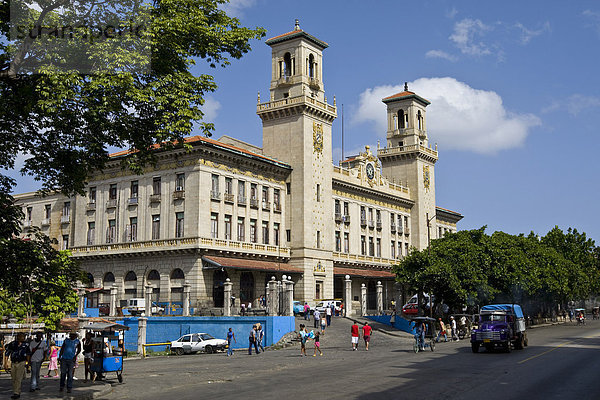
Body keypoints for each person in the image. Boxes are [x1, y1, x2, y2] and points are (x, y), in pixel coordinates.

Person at [5, 332, 30, 399]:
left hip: (21, 362)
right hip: (13, 362)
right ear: (18, 337)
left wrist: (28, 364)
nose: (23, 338)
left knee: (18, 378)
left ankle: (17, 392)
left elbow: (28, 354)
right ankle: (15, 390)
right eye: (22, 337)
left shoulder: (26, 345)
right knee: (14, 378)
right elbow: (7, 353)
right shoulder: (12, 344)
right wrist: (6, 363)